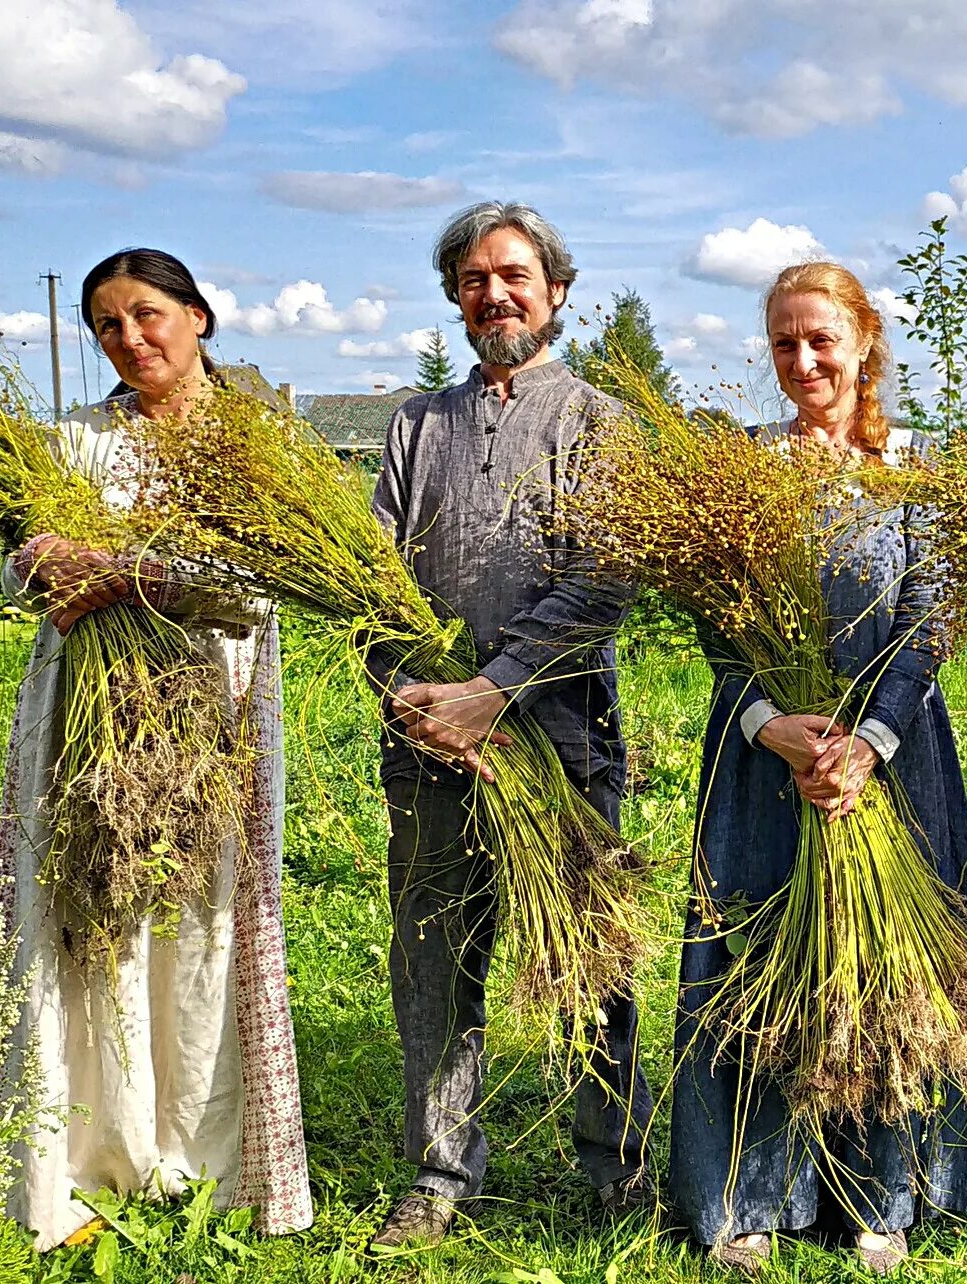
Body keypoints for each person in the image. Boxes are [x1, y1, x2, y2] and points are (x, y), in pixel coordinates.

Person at [667, 261, 967, 1275]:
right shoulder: (743, 469)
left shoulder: (914, 466)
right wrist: (770, 722)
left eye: (821, 338)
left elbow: (929, 617)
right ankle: (754, 1196)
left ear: (864, 342)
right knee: (761, 960)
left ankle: (880, 1195)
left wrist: (869, 743)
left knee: (882, 962)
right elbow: (718, 629)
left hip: (893, 764)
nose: (803, 360)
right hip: (766, 763)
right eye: (783, 343)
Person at [0, 248, 312, 1248]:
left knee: (199, 909)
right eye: (106, 326)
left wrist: (142, 574)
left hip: (207, 711)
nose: (129, 339)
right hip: (83, 707)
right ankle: (89, 1148)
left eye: (146, 315)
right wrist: (43, 560)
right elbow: (20, 563)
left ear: (200, 317)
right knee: (86, 901)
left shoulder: (257, 442)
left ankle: (195, 1148)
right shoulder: (74, 442)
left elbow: (270, 582)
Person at [368, 201, 654, 1248]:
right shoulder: (414, 425)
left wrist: (495, 691)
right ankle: (441, 1173)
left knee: (586, 949)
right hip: (427, 743)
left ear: (556, 293)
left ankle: (614, 1165)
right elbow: (370, 580)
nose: (496, 293)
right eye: (475, 278)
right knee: (436, 955)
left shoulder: (599, 422)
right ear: (455, 297)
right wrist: (416, 695)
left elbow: (603, 583)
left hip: (565, 737)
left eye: (516, 276)